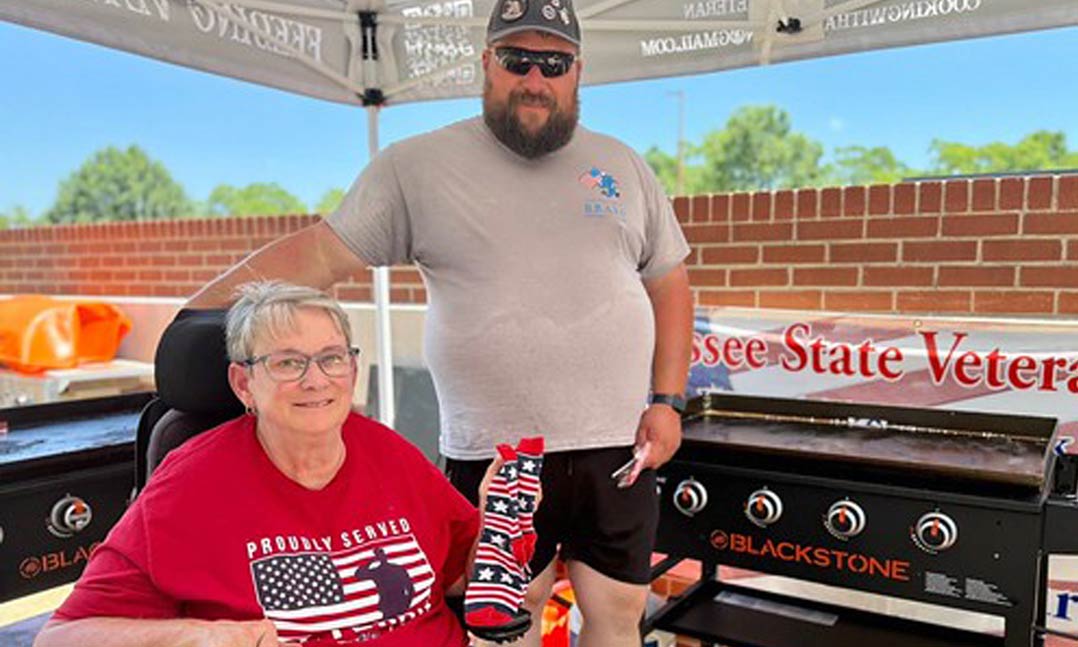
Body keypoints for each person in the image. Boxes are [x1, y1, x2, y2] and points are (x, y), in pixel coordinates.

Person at [183, 0, 693, 643]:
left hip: (616, 449)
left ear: (578, 72)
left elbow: (669, 283)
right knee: (502, 628)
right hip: (495, 458)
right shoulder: (417, 166)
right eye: (517, 60)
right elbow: (322, 253)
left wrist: (668, 401)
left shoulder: (623, 165)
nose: (536, 79)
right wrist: (197, 312)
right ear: (486, 63)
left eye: (554, 64)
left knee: (618, 617)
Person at [34, 281, 490, 647]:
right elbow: (61, 637)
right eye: (288, 363)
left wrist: (497, 520)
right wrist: (198, 636)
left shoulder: (389, 452)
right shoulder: (190, 483)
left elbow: (462, 576)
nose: (316, 380)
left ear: (352, 369)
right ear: (243, 383)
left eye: (331, 358)